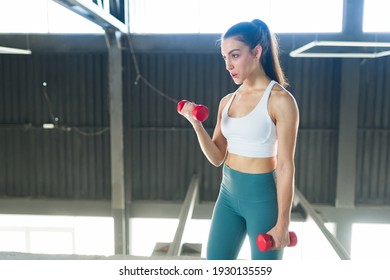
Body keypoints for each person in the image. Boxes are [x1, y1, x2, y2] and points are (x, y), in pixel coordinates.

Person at [178, 19, 299, 260]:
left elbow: (286, 166)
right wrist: (197, 124)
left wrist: (283, 222)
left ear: (256, 51)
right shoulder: (227, 101)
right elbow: (216, 157)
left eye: (234, 55)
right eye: (224, 58)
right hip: (228, 197)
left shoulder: (281, 101)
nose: (228, 65)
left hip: (263, 201)